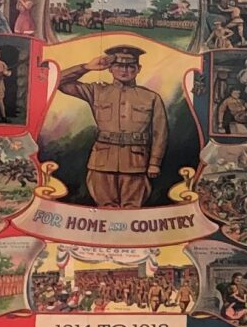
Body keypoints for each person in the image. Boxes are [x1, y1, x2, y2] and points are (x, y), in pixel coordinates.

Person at [58, 45, 168, 209]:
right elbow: (57, 81)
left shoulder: (151, 97)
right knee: (105, 208)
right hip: (102, 163)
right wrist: (87, 67)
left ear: (138, 69)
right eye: (118, 65)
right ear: (110, 68)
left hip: (135, 163)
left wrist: (155, 162)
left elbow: (160, 132)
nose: (124, 70)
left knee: (132, 209)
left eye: (130, 66)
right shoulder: (96, 91)